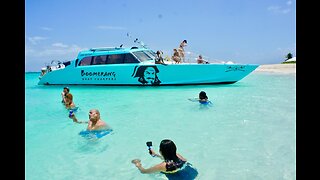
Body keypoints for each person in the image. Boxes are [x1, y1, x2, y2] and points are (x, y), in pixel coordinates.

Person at [131, 139, 198, 179]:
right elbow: (171, 158)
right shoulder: (178, 155)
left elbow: (144, 171)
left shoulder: (162, 166)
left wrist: (138, 164)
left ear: (160, 151)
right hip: (190, 173)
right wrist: (156, 155)